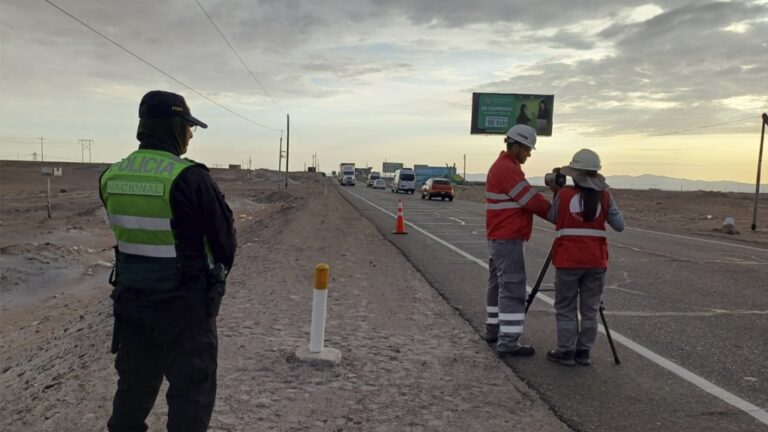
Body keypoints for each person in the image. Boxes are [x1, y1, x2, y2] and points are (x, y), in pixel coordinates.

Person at [99, 90, 237, 431]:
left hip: (132, 303)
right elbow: (225, 245)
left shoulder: (111, 177)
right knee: (191, 394)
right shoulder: (191, 177)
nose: (191, 134)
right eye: (188, 127)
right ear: (175, 127)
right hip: (186, 309)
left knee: (132, 390)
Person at [545, 149, 624, 366]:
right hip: (596, 262)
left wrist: (556, 193)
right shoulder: (606, 196)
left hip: (568, 261)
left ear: (575, 173)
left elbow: (553, 218)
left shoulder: (564, 195)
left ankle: (566, 351)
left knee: (566, 307)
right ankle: (583, 352)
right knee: (590, 309)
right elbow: (620, 226)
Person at [485, 124, 554, 357]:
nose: (529, 153)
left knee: (498, 286)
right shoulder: (508, 169)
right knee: (512, 289)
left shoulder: (503, 167)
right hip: (508, 238)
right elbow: (530, 201)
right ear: (514, 146)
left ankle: (493, 329)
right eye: (526, 149)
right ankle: (509, 341)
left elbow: (526, 197)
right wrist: (558, 213)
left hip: (499, 237)